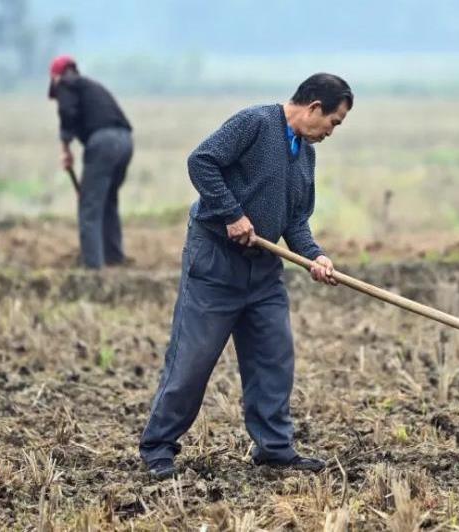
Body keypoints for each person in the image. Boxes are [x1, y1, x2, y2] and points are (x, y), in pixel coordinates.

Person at [139, 73, 353, 479]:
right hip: (216, 263)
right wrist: (232, 214)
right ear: (314, 108)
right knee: (192, 362)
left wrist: (315, 256)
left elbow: (296, 222)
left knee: (274, 358)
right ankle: (158, 448)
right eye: (333, 122)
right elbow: (201, 161)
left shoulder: (305, 155)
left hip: (264, 272)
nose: (331, 132)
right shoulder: (254, 123)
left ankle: (274, 448)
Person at [48, 55, 133, 269]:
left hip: (104, 143)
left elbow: (67, 112)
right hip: (125, 142)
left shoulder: (65, 83)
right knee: (107, 200)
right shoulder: (90, 86)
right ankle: (114, 257)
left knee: (89, 207)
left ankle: (93, 269)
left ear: (56, 76)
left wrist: (65, 147)